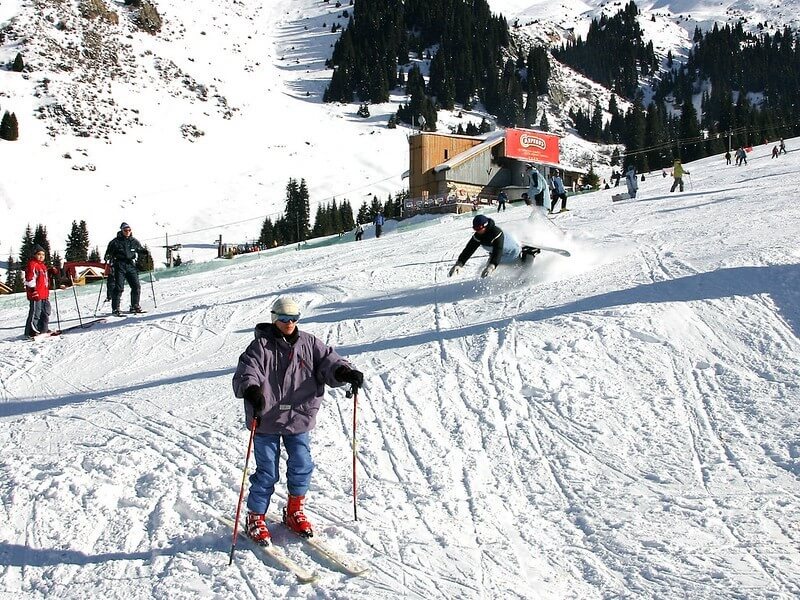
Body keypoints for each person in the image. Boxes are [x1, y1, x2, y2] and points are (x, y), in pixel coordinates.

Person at [232, 297, 364, 545]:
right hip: (267, 418)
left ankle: (293, 510)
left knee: (302, 464)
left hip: (299, 417)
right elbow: (247, 372)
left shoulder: (309, 343)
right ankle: (255, 516)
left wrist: (344, 372)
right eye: (284, 319)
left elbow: (329, 361)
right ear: (274, 318)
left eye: (294, 318)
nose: (289, 323)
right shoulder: (260, 347)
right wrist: (252, 391)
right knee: (267, 472)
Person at [448, 214, 538, 279]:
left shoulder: (496, 233)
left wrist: (492, 266)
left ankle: (529, 263)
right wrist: (459, 263)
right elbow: (469, 249)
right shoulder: (478, 235)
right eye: (475, 229)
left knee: (520, 267)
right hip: (500, 258)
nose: (477, 231)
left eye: (479, 228)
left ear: (485, 226)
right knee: (487, 271)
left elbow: (498, 250)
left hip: (512, 254)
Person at [104, 222, 146, 316]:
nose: (127, 232)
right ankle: (115, 308)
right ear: (121, 230)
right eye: (125, 230)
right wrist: (108, 257)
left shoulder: (134, 241)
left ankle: (134, 306)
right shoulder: (115, 242)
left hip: (131, 265)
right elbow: (107, 253)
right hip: (119, 265)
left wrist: (144, 252)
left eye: (129, 230)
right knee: (119, 288)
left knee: (136, 286)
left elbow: (139, 249)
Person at [24, 245, 61, 338]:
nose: (41, 256)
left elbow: (44, 278)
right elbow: (30, 278)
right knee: (36, 312)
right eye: (39, 254)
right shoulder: (32, 264)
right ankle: (31, 331)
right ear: (34, 255)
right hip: (36, 293)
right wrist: (33, 291)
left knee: (45, 312)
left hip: (44, 293)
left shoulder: (42, 266)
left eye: (43, 255)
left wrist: (51, 272)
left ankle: (43, 329)